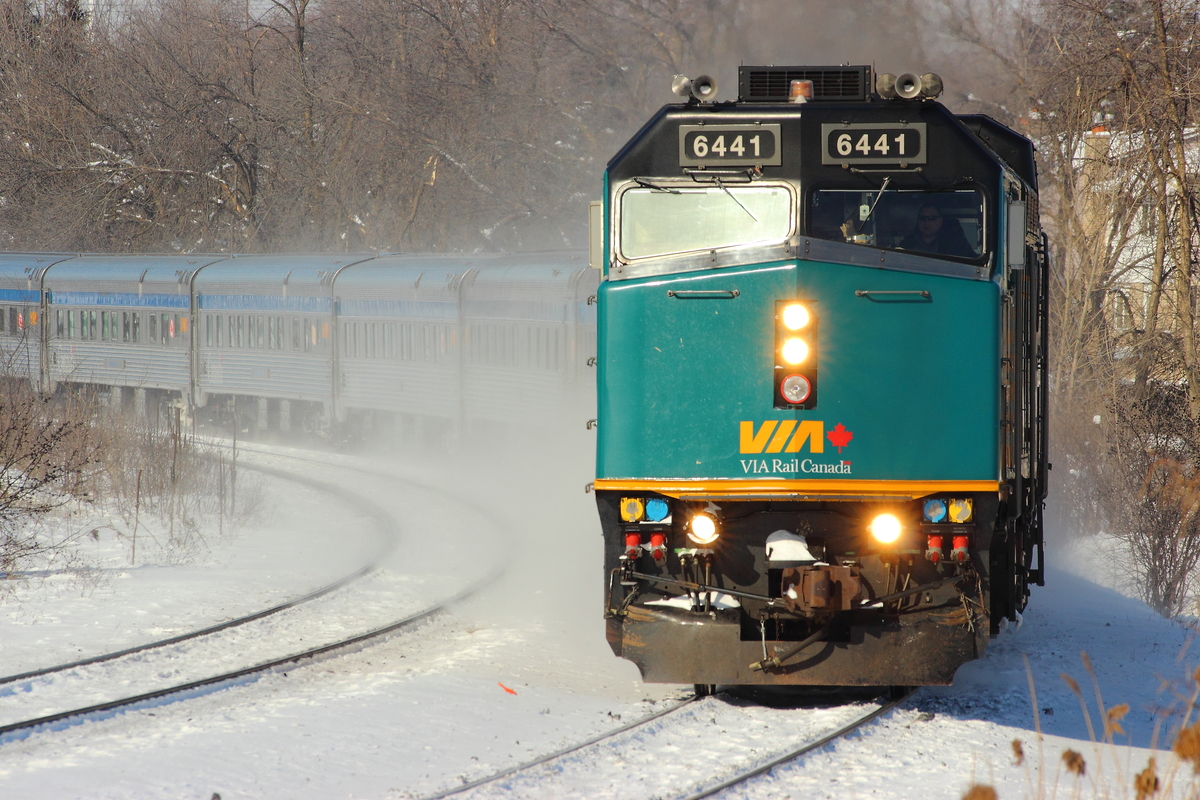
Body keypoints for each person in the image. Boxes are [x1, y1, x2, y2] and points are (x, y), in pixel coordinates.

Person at [899, 204, 975, 257]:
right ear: (918, 221)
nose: (926, 222)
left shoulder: (956, 244)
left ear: (940, 221)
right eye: (922, 218)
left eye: (931, 218)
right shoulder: (907, 244)